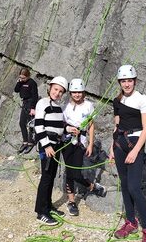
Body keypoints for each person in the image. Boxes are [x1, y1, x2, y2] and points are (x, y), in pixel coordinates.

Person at [111, 65, 146, 242]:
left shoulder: (142, 100)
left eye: (129, 80)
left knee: (134, 188)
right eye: (123, 81)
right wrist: (111, 148)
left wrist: (136, 151)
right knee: (124, 184)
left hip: (135, 144)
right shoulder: (117, 101)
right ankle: (130, 221)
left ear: (135, 81)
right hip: (119, 144)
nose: (127, 84)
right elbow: (116, 126)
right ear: (119, 82)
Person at [62, 78, 106, 216]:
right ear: (70, 93)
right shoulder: (65, 107)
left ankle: (91, 186)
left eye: (79, 92)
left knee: (75, 172)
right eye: (74, 92)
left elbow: (91, 125)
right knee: (69, 171)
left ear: (83, 92)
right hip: (66, 141)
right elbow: (62, 123)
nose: (77, 95)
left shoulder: (88, 106)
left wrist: (91, 143)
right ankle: (71, 201)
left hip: (80, 141)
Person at [34, 76, 68, 226]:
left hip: (57, 144)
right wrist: (47, 146)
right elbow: (39, 126)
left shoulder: (58, 107)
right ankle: (41, 212)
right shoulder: (43, 103)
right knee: (46, 177)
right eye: (56, 89)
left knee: (52, 176)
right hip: (48, 145)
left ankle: (48, 206)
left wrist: (68, 129)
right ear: (50, 88)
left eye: (61, 91)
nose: (57, 93)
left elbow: (59, 126)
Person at [14, 68, 39, 154]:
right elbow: (16, 90)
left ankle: (30, 142)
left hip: (30, 102)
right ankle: (25, 141)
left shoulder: (32, 83)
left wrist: (33, 108)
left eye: (24, 78)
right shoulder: (21, 82)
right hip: (24, 102)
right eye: (21, 77)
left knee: (30, 124)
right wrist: (19, 81)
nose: (22, 79)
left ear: (28, 76)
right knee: (22, 123)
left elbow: (35, 96)